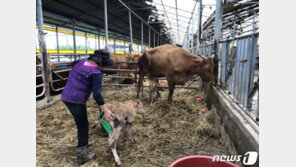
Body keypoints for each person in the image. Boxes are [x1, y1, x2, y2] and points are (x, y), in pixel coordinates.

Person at [61, 49, 115, 165]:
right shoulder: (96, 73)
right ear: (102, 62)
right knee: (83, 125)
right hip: (75, 100)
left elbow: (73, 64)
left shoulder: (82, 61)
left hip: (68, 95)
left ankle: (84, 142)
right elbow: (97, 94)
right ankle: (81, 155)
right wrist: (105, 110)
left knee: (83, 122)